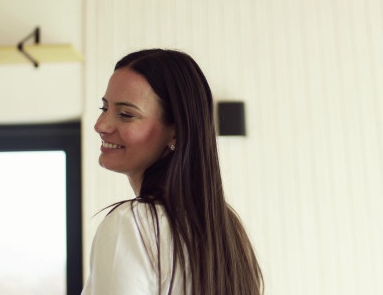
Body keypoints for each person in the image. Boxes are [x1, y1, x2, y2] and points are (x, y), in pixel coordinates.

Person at [81, 49, 263, 295]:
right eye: (104, 108)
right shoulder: (228, 231)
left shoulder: (131, 224)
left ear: (175, 132)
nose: (100, 125)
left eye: (125, 114)